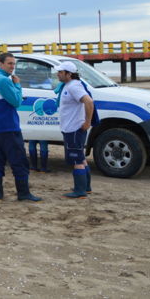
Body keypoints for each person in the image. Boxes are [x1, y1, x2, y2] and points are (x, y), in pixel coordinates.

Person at [0, 52, 41, 202]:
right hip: (8, 127)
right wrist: (17, 85)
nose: (12, 67)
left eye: (14, 64)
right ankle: (23, 194)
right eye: (10, 63)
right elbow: (16, 101)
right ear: (1, 64)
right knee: (19, 161)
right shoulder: (4, 80)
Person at [55, 61, 95, 199]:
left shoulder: (74, 86)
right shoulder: (68, 86)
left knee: (77, 160)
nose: (58, 74)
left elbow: (88, 101)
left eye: (60, 72)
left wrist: (87, 122)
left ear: (69, 74)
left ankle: (80, 191)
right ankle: (86, 187)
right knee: (81, 158)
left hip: (74, 129)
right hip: (71, 128)